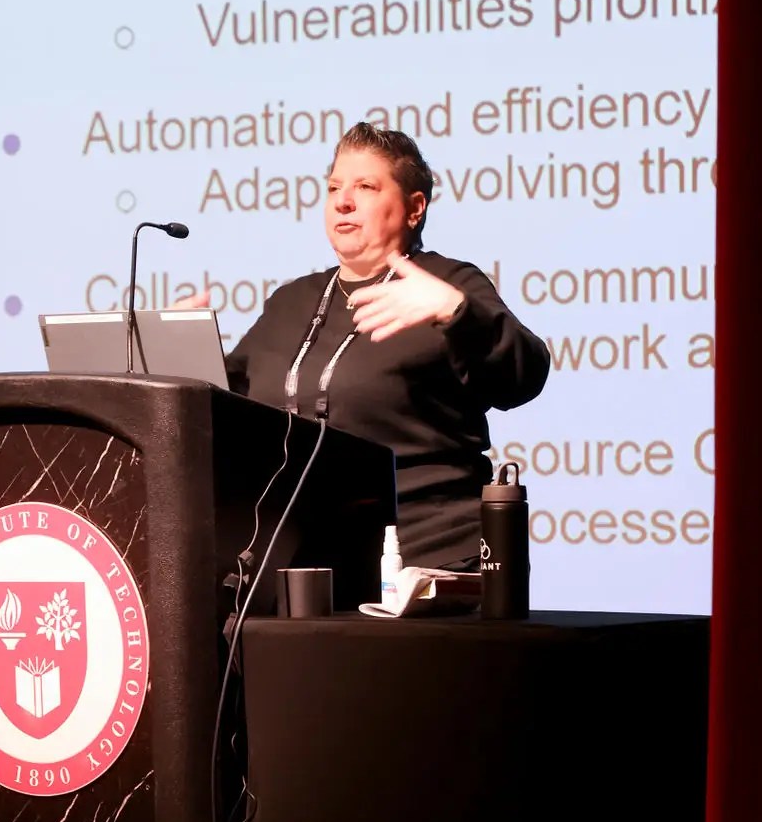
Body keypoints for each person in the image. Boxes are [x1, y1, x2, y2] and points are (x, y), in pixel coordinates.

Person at [192, 122, 550, 570]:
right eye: (334, 187)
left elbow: (524, 375)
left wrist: (456, 311)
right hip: (304, 565)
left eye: (365, 186)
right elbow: (228, 406)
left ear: (414, 208)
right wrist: (173, 357)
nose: (343, 200)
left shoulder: (448, 284)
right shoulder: (290, 302)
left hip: (429, 561)